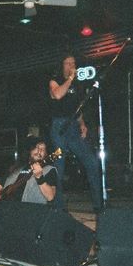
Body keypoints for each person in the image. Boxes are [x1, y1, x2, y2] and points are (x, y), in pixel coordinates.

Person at [0, 137, 57, 237]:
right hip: (7, 209)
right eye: (37, 147)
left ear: (46, 154)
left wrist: (40, 178)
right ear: (30, 150)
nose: (39, 151)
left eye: (43, 149)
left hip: (28, 212)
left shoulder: (49, 170)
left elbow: (50, 196)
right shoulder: (18, 168)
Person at [49, 54, 103, 213]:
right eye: (68, 63)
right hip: (59, 127)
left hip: (73, 126)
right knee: (59, 168)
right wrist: (70, 79)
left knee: (92, 162)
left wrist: (82, 124)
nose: (71, 66)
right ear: (62, 66)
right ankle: (59, 207)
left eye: (73, 63)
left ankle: (99, 204)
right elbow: (58, 94)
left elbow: (77, 107)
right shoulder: (55, 81)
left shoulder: (77, 84)